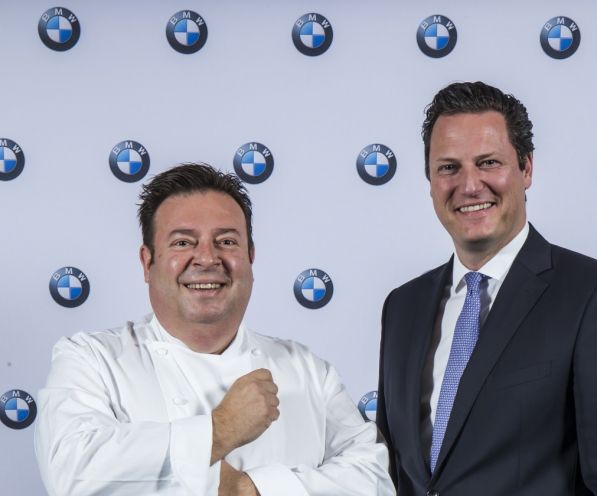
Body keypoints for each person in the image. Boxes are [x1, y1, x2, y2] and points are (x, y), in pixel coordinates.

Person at [376, 82, 597, 495]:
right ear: (430, 181)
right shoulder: (403, 306)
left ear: (526, 168)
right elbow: (391, 474)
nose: (470, 185)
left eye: (488, 162)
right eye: (448, 168)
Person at [35, 163, 395, 496]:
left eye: (226, 241)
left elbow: (375, 479)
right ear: (148, 262)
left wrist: (251, 489)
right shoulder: (92, 359)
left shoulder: (306, 370)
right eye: (183, 242)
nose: (207, 258)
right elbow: (72, 473)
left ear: (250, 257)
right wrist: (220, 429)